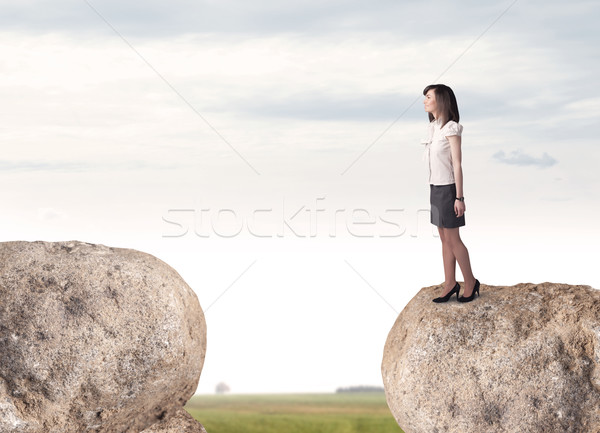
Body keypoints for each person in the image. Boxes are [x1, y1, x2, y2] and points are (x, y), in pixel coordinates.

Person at [421, 84, 480, 303]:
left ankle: (470, 281)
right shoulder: (433, 128)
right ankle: (450, 283)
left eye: (428, 97)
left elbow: (457, 164)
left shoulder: (451, 128)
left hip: (448, 189)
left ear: (441, 100)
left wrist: (459, 197)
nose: (424, 101)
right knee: (444, 239)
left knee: (454, 239)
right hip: (434, 188)